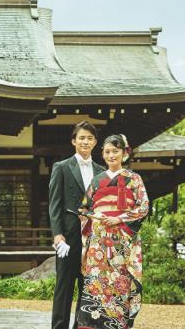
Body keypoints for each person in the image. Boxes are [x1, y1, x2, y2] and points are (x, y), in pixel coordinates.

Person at [76, 134, 149, 329]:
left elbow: (143, 207)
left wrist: (119, 218)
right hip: (99, 240)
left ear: (125, 153)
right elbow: (83, 209)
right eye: (107, 151)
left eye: (115, 151)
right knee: (96, 283)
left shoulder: (134, 179)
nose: (111, 155)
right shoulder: (97, 180)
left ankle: (118, 324)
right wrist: (95, 217)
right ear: (103, 154)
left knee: (120, 282)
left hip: (122, 240)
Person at [49, 121, 105, 329]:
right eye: (81, 137)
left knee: (88, 286)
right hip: (69, 237)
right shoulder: (61, 167)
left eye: (90, 138)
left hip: (93, 237)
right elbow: (54, 204)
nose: (85, 141)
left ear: (95, 143)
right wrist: (57, 235)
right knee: (64, 286)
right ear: (74, 141)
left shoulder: (101, 172)